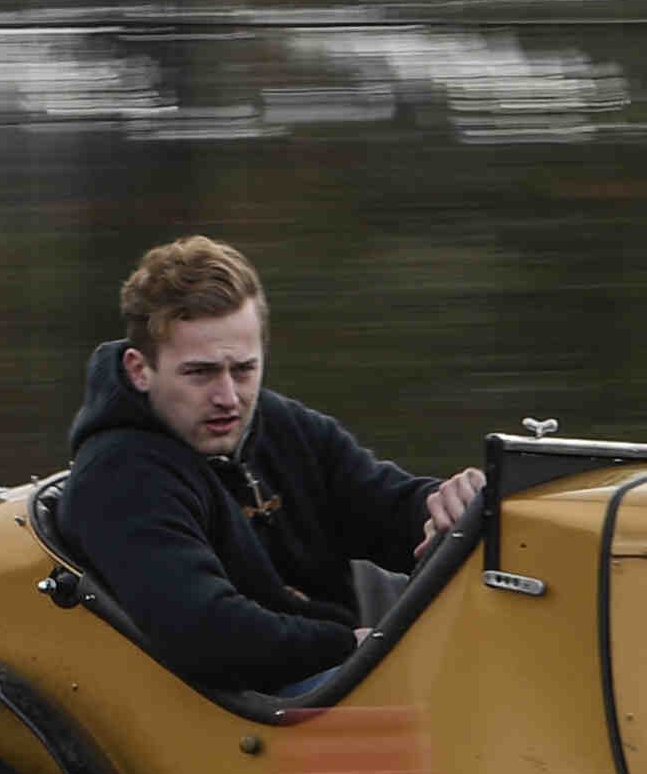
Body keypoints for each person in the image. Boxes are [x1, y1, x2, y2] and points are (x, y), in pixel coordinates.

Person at [54, 237, 482, 701]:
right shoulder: (121, 477)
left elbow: (385, 508)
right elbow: (205, 631)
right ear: (140, 370)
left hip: (333, 664)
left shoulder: (279, 426)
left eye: (243, 369)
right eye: (199, 373)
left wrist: (453, 507)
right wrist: (353, 644)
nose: (228, 397)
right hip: (250, 707)